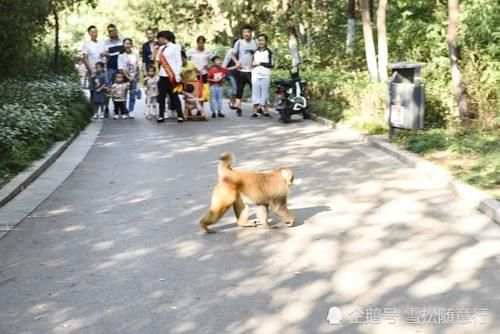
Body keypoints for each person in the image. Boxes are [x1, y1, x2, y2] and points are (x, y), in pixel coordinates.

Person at [156, 30, 184, 123]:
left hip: (172, 75)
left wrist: (177, 74)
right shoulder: (161, 48)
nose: (158, 40)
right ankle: (161, 115)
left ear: (164, 38)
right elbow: (157, 59)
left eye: (159, 38)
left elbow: (178, 61)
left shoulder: (175, 47)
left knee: (174, 96)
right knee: (161, 96)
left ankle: (180, 114)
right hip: (162, 75)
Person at [231, 25, 258, 116]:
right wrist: (237, 63)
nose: (246, 34)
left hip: (252, 71)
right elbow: (233, 54)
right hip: (241, 71)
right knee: (239, 90)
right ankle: (238, 108)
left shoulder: (255, 42)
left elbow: (259, 54)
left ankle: (256, 109)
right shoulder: (239, 42)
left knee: (254, 90)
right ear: (242, 34)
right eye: (244, 32)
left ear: (251, 33)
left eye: (248, 32)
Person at [250, 33, 274, 119]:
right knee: (255, 93)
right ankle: (255, 112)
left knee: (265, 93)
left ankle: (266, 111)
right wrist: (253, 64)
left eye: (262, 40)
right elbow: (251, 64)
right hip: (255, 75)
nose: (261, 42)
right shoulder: (255, 52)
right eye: (259, 40)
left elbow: (271, 65)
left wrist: (261, 63)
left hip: (265, 75)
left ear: (266, 41)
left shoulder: (269, 52)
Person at [81, 25, 107, 103]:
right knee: (93, 90)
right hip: (92, 71)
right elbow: (84, 58)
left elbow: (108, 54)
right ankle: (93, 111)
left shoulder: (102, 43)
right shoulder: (86, 44)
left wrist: (105, 54)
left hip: (102, 71)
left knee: (103, 90)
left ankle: (102, 111)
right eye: (92, 32)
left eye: (96, 32)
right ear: (89, 33)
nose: (94, 33)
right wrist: (90, 70)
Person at [104, 24, 123, 116]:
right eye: (110, 31)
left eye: (114, 30)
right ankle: (106, 108)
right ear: (108, 32)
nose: (113, 32)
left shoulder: (122, 40)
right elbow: (105, 54)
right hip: (110, 68)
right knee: (109, 88)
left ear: (117, 30)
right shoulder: (105, 43)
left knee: (120, 88)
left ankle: (119, 107)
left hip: (120, 68)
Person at [118, 38, 140, 119]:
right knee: (123, 95)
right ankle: (124, 110)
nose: (127, 45)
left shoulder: (135, 54)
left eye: (129, 43)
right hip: (124, 78)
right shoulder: (121, 55)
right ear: (123, 45)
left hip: (133, 77)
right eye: (126, 43)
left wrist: (136, 78)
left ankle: (131, 111)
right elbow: (121, 68)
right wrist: (128, 77)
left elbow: (137, 66)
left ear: (131, 45)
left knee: (132, 95)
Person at [222, 39, 239, 110]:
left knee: (236, 88)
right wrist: (222, 71)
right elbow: (225, 62)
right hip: (230, 72)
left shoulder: (241, 52)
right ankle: (232, 101)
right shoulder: (231, 51)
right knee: (234, 88)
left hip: (237, 73)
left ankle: (233, 101)